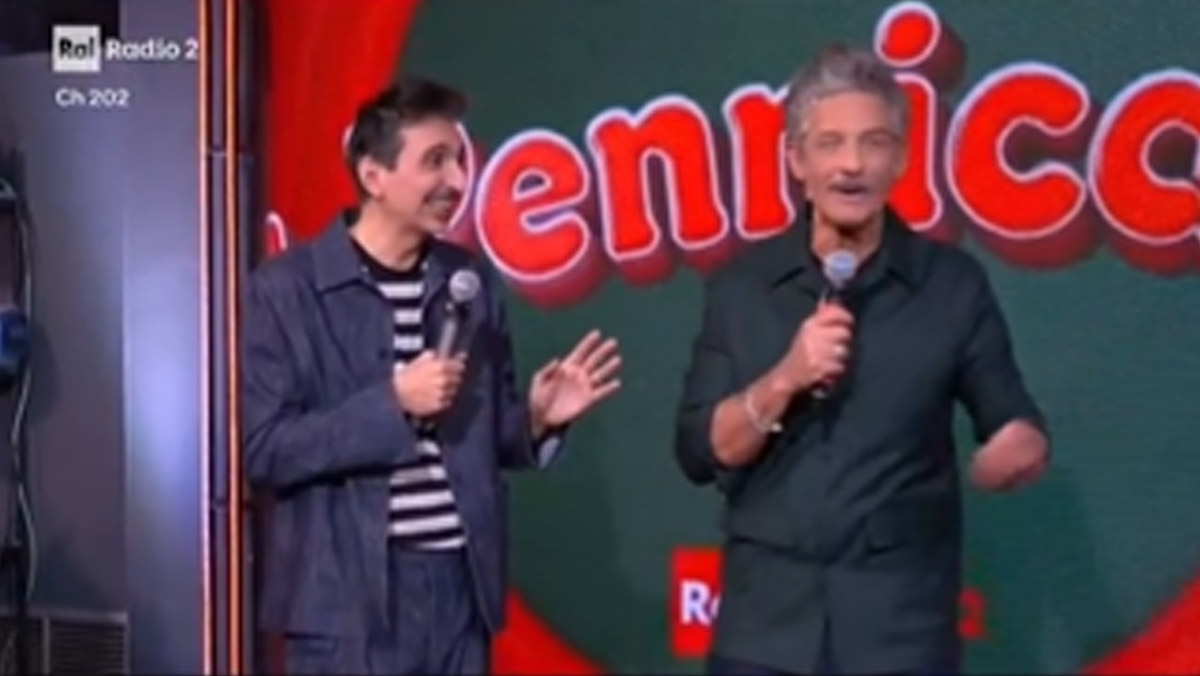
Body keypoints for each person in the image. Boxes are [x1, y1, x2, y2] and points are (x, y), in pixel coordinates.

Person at [673, 44, 1050, 676]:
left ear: (900, 159)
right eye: (831, 144)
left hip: (900, 634)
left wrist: (1015, 449)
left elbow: (1012, 417)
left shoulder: (951, 285)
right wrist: (785, 377)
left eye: (874, 143)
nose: (852, 164)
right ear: (797, 159)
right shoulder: (742, 287)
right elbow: (697, 451)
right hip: (764, 632)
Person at [241, 77, 622, 675]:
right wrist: (391, 403)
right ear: (374, 176)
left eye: (460, 161)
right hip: (346, 607)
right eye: (435, 161)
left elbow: (484, 443)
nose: (459, 181)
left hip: (459, 595)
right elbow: (265, 450)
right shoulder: (287, 290)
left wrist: (537, 420)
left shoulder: (467, 282)